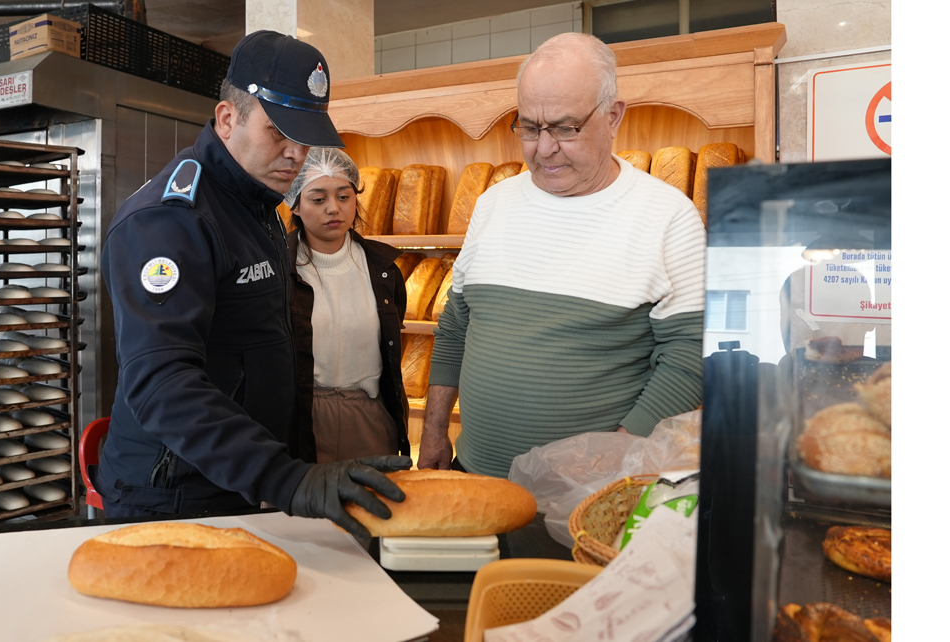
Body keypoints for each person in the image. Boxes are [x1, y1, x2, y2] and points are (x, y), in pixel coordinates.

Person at [97, 30, 411, 537]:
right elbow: (161, 383)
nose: (295, 153)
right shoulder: (171, 221)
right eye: (278, 132)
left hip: (238, 480)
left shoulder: (257, 204)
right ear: (227, 119)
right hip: (175, 492)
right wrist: (285, 479)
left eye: (304, 136)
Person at [417, 32, 706, 477]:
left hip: (586, 501)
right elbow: (457, 323)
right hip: (473, 474)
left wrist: (615, 461)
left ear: (613, 116)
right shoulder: (493, 203)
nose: (544, 148)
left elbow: (689, 357)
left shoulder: (668, 217)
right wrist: (434, 429)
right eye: (530, 128)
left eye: (565, 128)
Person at [285, 147, 410, 464]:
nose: (333, 209)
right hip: (298, 417)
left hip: (369, 417)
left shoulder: (384, 270)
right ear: (295, 205)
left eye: (344, 197)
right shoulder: (276, 267)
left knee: (372, 509)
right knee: (300, 512)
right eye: (318, 199)